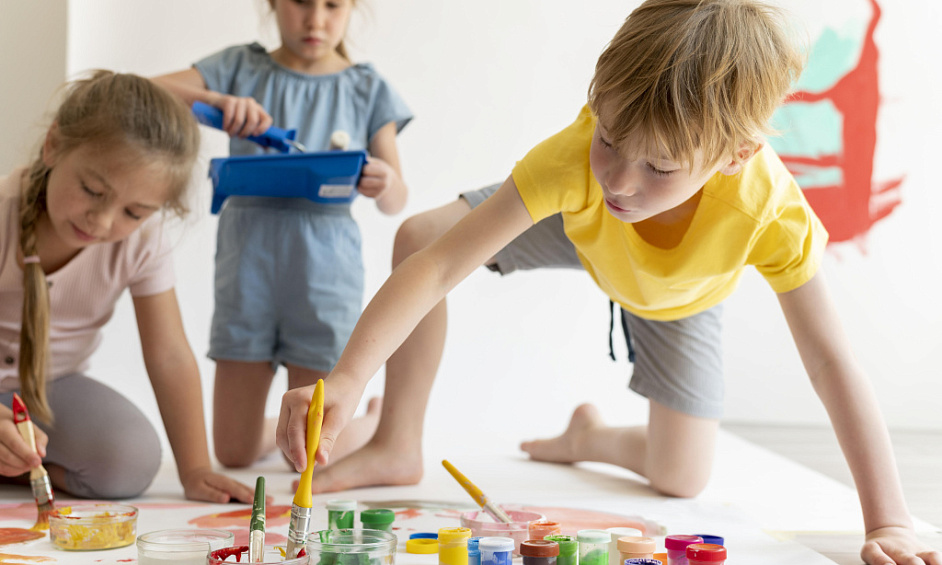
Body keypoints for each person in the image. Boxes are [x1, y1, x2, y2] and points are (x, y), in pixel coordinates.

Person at [275, 1, 941, 564]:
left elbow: (830, 359)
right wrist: (352, 375)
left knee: (682, 475)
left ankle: (587, 436)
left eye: (661, 165)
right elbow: (440, 265)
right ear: (598, 104)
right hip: (583, 226)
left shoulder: (768, 212)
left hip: (685, 290)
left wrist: (888, 519)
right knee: (422, 236)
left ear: (735, 156)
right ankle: (396, 438)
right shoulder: (584, 162)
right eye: (611, 137)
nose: (622, 178)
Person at [153, 0, 412, 468]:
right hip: (248, 263)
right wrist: (216, 102)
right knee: (231, 454)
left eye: (332, 6)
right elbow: (140, 92)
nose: (315, 20)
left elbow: (397, 200)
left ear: (352, 8)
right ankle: (278, 428)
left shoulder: (365, 87)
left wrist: (386, 183)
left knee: (313, 453)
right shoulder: (240, 67)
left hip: (326, 271)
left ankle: (371, 425)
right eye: (300, 3)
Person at [0, 71, 254, 503]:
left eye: (133, 212)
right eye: (92, 190)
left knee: (129, 460)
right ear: (53, 145)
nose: (101, 222)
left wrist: (195, 468)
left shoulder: (143, 241)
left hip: (52, 384)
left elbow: (169, 354)